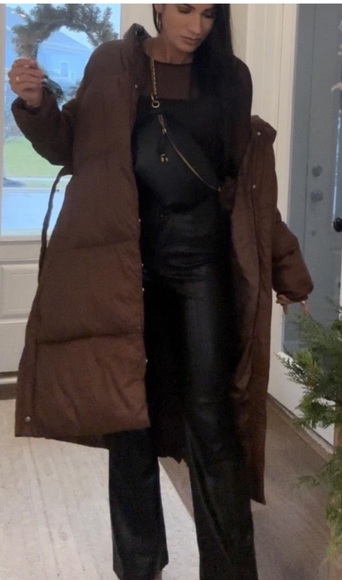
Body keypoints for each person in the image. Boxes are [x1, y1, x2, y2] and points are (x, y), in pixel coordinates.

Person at [8, 4, 313, 580]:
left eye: (209, 13)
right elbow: (71, 146)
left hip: (201, 263)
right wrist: (35, 105)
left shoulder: (230, 76)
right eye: (183, 9)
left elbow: (244, 187)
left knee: (213, 421)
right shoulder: (111, 64)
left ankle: (230, 572)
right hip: (124, 263)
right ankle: (139, 567)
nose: (196, 26)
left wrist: (286, 266)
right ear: (157, 7)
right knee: (129, 419)